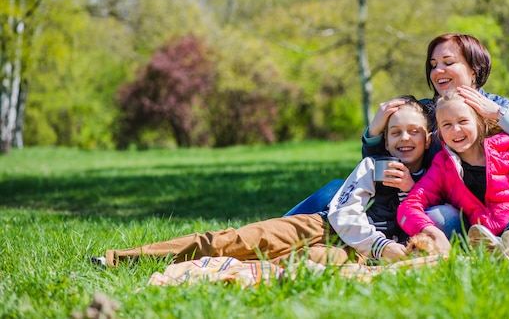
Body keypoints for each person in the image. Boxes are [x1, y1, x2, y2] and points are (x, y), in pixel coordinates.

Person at [96, 96, 434, 268]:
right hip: (323, 226)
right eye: (395, 132)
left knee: (296, 265)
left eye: (414, 132)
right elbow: (345, 212)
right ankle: (121, 258)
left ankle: (204, 272)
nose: (405, 139)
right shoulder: (373, 165)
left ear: (428, 138)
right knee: (237, 239)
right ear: (386, 141)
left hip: (362, 256)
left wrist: (408, 192)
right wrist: (377, 244)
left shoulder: (434, 175)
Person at [286, 33, 509, 230]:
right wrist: (375, 131)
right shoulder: (424, 111)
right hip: (416, 204)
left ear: (474, 70)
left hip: (476, 213)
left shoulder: (500, 108)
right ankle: (272, 233)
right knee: (336, 190)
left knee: (444, 216)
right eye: (433, 65)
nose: (437, 70)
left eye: (447, 62)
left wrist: (498, 116)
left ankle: (323, 236)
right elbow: (375, 166)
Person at [396, 91, 509, 261]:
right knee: (479, 235)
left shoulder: (507, 152)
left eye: (463, 121)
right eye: (446, 125)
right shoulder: (442, 166)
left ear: (479, 122)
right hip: (488, 235)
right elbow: (408, 206)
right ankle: (505, 253)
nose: (456, 130)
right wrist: (431, 231)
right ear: (439, 132)